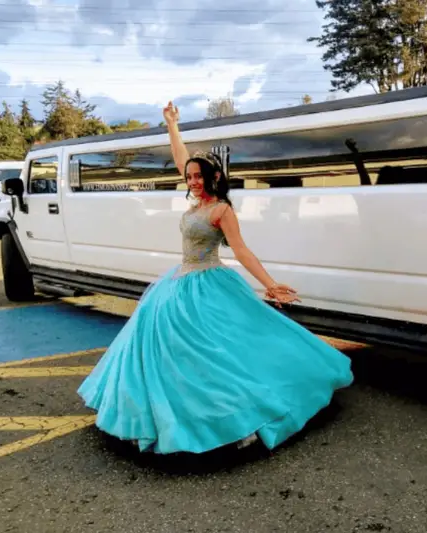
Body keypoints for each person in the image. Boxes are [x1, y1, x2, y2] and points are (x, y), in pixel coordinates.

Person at [77, 101, 354, 455]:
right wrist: (172, 126)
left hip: (208, 282)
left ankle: (239, 412)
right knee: (172, 348)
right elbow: (181, 158)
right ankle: (164, 412)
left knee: (222, 350)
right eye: (189, 177)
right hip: (178, 281)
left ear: (214, 177)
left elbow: (240, 250)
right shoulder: (196, 203)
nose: (192, 181)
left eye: (198, 176)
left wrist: (268, 283)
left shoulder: (221, 210)